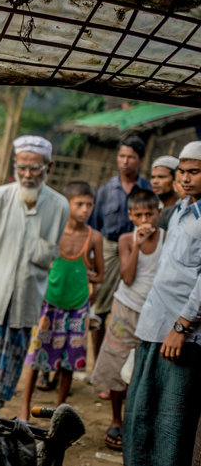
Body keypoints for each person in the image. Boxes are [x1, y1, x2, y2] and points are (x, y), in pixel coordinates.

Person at [0, 135, 69, 414]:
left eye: (34, 168)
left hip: (27, 299)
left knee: (11, 360)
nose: (27, 174)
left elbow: (51, 252)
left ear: (48, 167)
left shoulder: (60, 206)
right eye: (22, 167)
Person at [123, 141, 201, 466]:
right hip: (153, 328)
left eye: (194, 172)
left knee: (171, 423)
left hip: (179, 336)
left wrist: (182, 326)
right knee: (141, 417)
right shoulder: (181, 211)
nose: (185, 178)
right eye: (182, 171)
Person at [20, 181, 104, 422]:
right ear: (66, 205)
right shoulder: (53, 232)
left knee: (69, 362)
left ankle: (60, 411)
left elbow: (101, 275)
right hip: (49, 305)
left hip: (78, 309)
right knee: (36, 358)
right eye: (79, 204)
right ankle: (25, 408)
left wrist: (85, 276)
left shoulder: (94, 238)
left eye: (89, 204)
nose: (85, 209)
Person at [89, 189, 163, 451]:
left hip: (153, 312)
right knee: (118, 362)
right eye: (139, 214)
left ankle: (136, 422)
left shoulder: (167, 239)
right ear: (130, 215)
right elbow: (128, 277)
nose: (145, 219)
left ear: (158, 213)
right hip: (126, 308)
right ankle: (117, 419)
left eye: (149, 214)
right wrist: (138, 247)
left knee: (141, 368)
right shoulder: (125, 240)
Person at [88, 136, 151, 363]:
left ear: (140, 160)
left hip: (138, 249)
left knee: (132, 307)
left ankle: (127, 365)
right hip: (108, 249)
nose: (125, 161)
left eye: (131, 157)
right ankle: (98, 363)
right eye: (122, 156)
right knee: (101, 309)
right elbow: (94, 227)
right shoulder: (106, 190)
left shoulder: (147, 189)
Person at [150, 155, 180, 230]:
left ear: (176, 179)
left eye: (161, 177)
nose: (155, 182)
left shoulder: (184, 208)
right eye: (153, 177)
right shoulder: (150, 206)